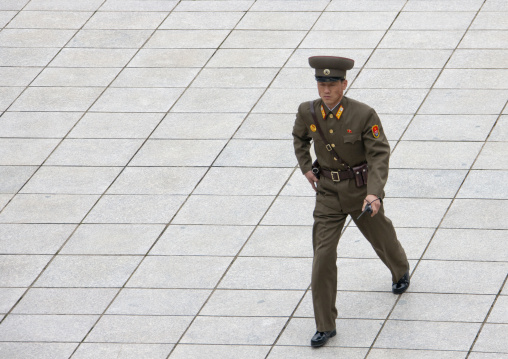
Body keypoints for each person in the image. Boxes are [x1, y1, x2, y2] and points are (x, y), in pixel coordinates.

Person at [292, 56, 410, 348]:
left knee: (381, 236)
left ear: (344, 84)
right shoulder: (308, 112)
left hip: (360, 192)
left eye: (332, 84)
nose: (326, 90)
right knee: (322, 257)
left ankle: (400, 269)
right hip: (328, 194)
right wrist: (306, 166)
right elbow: (299, 138)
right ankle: (325, 324)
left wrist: (374, 192)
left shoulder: (363, 115)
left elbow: (379, 154)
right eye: (321, 83)